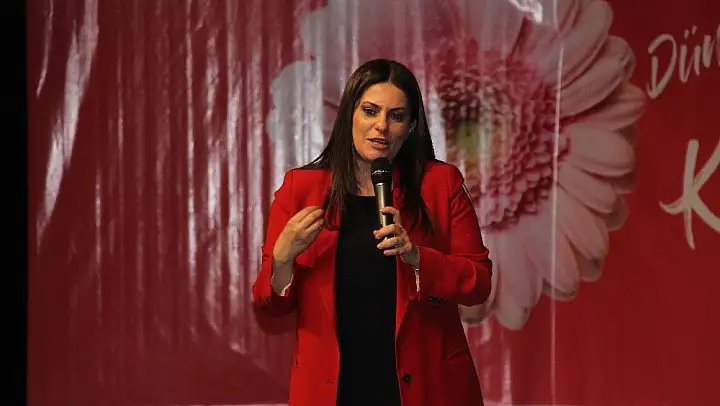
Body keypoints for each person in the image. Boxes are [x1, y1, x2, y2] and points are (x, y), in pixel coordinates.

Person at [252, 58, 493, 406]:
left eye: (396, 116)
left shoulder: (440, 184)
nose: (381, 126)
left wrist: (417, 257)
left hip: (427, 386)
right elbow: (270, 305)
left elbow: (479, 282)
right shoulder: (300, 189)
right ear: (349, 114)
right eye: (370, 111)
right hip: (335, 390)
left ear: (410, 126)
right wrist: (282, 257)